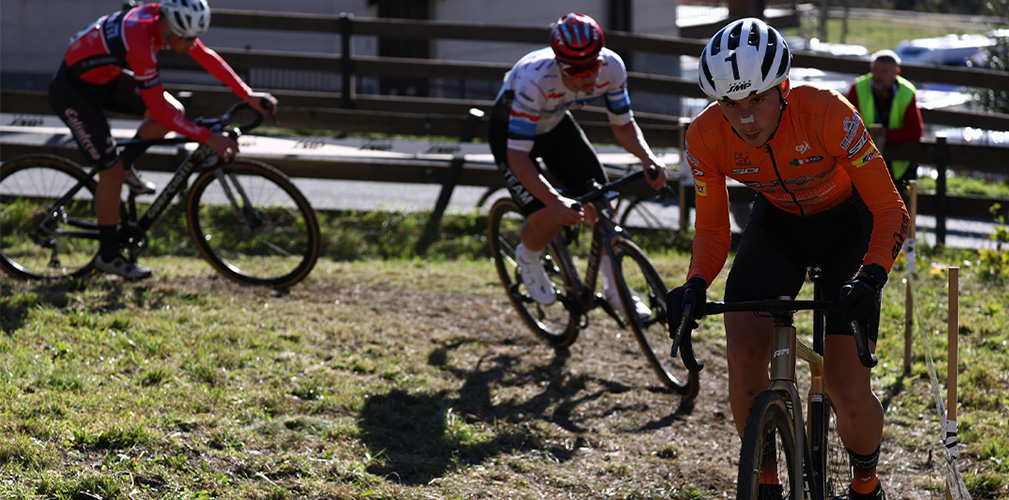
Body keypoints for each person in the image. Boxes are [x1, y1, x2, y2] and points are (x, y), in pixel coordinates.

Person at [666, 18, 908, 500]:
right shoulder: (705, 136)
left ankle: (866, 483)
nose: (746, 119)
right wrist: (695, 283)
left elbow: (889, 209)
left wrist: (873, 275)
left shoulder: (827, 113)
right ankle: (767, 481)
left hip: (849, 227)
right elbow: (712, 229)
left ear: (783, 87)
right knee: (743, 353)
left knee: (845, 386)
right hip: (778, 226)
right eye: (730, 104)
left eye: (757, 99)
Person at [48, 0, 277, 280]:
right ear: (167, 26)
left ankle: (126, 166)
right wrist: (208, 137)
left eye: (195, 36)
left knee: (174, 112)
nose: (191, 43)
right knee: (111, 173)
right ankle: (108, 256)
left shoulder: (166, 21)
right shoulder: (140, 39)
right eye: (186, 38)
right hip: (73, 91)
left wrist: (247, 94)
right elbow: (157, 110)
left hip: (104, 79)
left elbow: (205, 56)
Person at [488, 12, 668, 315]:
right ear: (559, 63)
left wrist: (647, 157)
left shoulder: (612, 67)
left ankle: (615, 291)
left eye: (592, 66)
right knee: (548, 215)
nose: (587, 76)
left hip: (556, 125)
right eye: (576, 70)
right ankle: (528, 256)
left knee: (603, 205)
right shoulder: (535, 80)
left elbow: (624, 125)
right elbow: (518, 158)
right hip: (511, 134)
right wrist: (555, 201)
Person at [846, 49, 924, 206]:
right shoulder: (858, 87)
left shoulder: (907, 91)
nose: (878, 75)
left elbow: (916, 131)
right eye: (875, 70)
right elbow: (846, 124)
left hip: (897, 166)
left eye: (884, 71)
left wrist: (883, 134)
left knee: (897, 208)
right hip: (862, 162)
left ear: (896, 73)